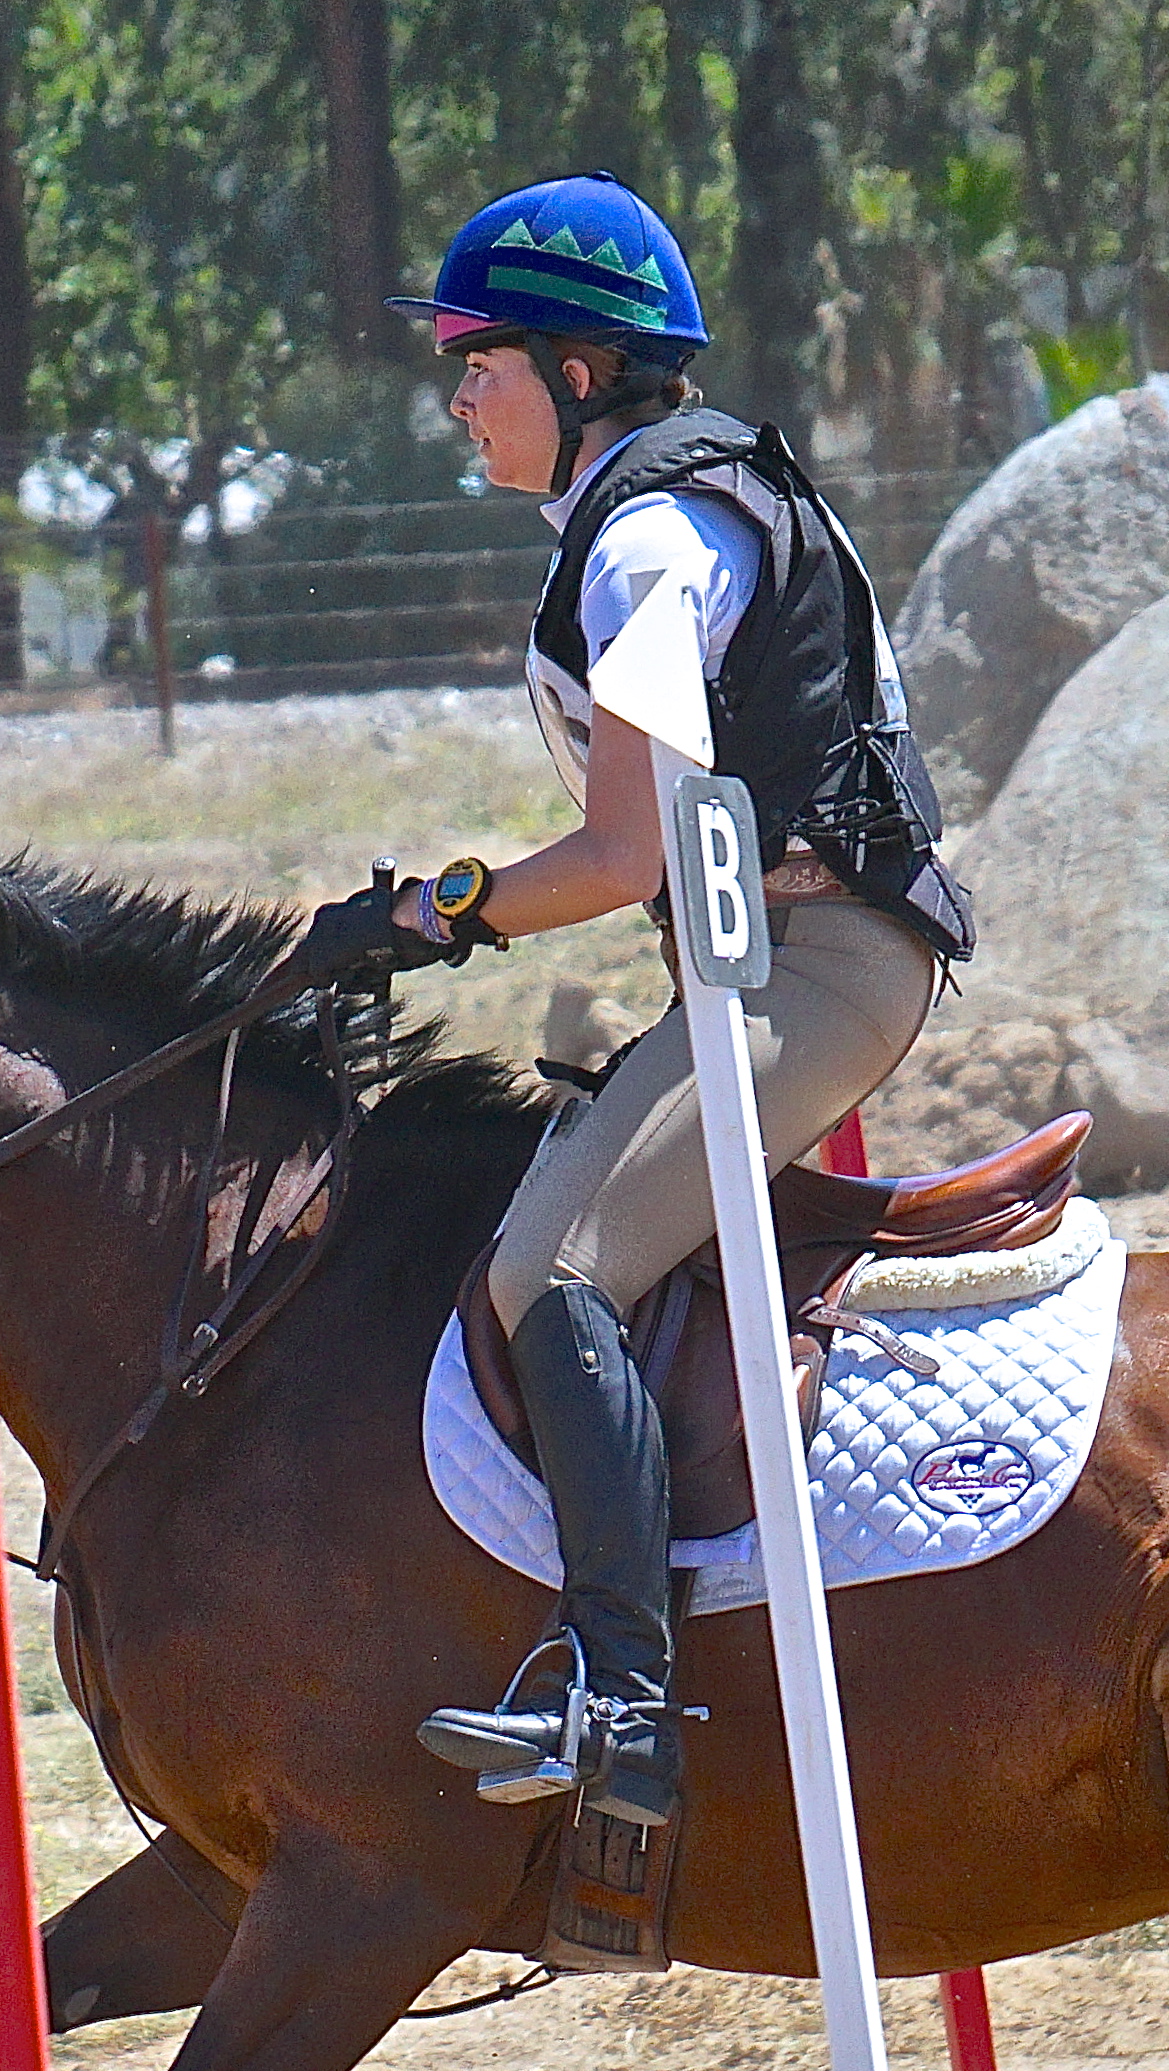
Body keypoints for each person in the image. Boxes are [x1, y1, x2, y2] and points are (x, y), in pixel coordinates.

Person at [310, 172, 972, 1838]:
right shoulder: (650, 516)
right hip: (782, 956)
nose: (455, 392)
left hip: (816, 966)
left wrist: (433, 910)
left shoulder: (653, 544)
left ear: (582, 372)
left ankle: (621, 1705)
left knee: (553, 1268)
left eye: (479, 359)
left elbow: (621, 851)